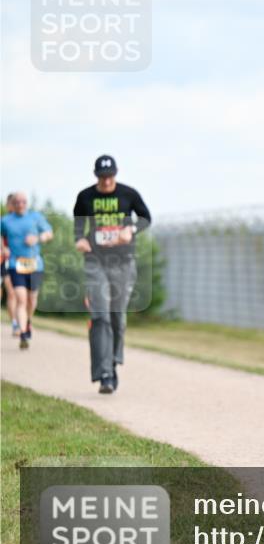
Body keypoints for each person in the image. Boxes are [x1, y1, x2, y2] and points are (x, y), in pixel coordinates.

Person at [73, 155, 152, 394]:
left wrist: (131, 229)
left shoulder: (129, 194)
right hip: (95, 261)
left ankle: (113, 361)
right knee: (101, 316)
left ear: (116, 174)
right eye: (102, 177)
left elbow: (146, 218)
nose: (106, 181)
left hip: (123, 261)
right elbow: (78, 224)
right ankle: (104, 373)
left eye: (110, 176)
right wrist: (79, 240)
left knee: (117, 318)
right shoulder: (85, 197)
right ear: (95, 175)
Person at [0, 192, 54, 349]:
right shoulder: (6, 221)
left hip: (34, 264)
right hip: (14, 264)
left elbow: (49, 233)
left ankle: (28, 321)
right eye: (17, 202)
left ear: (27, 203)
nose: (20, 204)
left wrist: (37, 238)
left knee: (32, 299)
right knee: (20, 298)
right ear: (12, 204)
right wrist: (4, 248)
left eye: (23, 201)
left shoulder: (35, 217)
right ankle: (23, 333)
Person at [2, 194, 18, 337]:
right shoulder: (4, 222)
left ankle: (22, 320)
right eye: (12, 203)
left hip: (22, 262)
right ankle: (14, 323)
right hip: (5, 260)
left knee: (22, 295)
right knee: (11, 293)